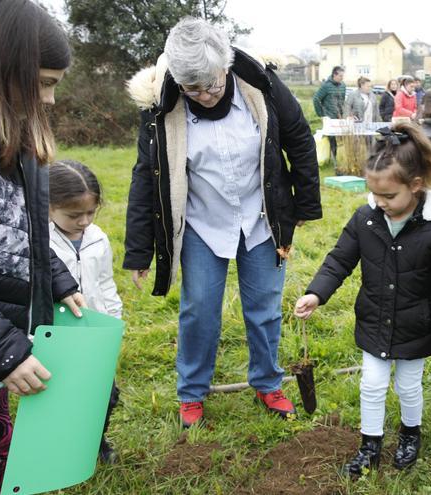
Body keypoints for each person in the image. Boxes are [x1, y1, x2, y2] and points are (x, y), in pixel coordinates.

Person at [125, 18, 322, 427]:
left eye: (212, 84)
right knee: (199, 310)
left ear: (226, 67)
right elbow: (146, 176)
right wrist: (139, 249)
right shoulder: (161, 109)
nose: (205, 95)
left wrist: (303, 205)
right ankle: (192, 392)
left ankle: (268, 382)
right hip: (201, 222)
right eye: (192, 89)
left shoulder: (261, 87)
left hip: (261, 216)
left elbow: (299, 138)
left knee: (265, 308)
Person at [0, 0, 85, 491]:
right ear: (2, 69)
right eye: (45, 83)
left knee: (0, 469)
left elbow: (13, 234)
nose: (49, 100)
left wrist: (56, 278)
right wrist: (6, 352)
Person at [294, 122, 431, 478]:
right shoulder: (366, 218)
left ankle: (409, 436)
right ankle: (370, 445)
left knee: (408, 385)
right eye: (375, 195)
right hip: (374, 320)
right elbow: (339, 259)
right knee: (370, 384)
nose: (381, 204)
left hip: (417, 326)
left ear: (415, 186)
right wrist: (316, 292)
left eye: (389, 197)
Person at [48, 160, 122, 464]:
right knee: (63, 396)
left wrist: (113, 321)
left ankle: (96, 440)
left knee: (106, 394)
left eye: (90, 213)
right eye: (74, 215)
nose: (84, 221)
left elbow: (106, 283)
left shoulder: (99, 238)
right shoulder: (38, 242)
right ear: (48, 207)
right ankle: (62, 446)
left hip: (94, 331)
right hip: (59, 335)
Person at [312, 66, 346, 166]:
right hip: (328, 117)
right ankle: (333, 161)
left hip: (339, 117)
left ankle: (334, 158)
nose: (342, 78)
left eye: (343, 76)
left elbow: (342, 101)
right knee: (331, 139)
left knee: (339, 139)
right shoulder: (326, 86)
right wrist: (321, 115)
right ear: (334, 74)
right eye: (340, 76)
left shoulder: (343, 85)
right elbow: (316, 99)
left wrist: (342, 114)